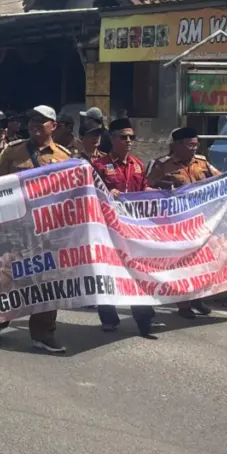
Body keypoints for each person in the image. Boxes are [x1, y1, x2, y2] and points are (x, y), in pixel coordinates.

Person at [0, 105, 71, 354]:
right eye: (32, 119)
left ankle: (43, 333)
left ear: (54, 126)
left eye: (41, 121)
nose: (35, 123)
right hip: (16, 229)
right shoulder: (13, 152)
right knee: (9, 277)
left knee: (48, 281)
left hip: (48, 230)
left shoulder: (64, 157)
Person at [147, 127, 222, 319]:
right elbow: (146, 188)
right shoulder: (161, 165)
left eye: (196, 145)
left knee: (201, 262)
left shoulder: (203, 163)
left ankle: (197, 298)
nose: (194, 149)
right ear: (176, 145)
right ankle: (184, 304)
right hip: (176, 225)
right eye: (190, 145)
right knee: (182, 264)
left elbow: (220, 180)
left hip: (201, 222)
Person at [92, 118, 156, 337]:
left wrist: (154, 192)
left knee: (138, 272)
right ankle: (108, 317)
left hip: (132, 229)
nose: (128, 141)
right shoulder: (99, 166)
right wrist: (107, 195)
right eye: (123, 137)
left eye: (132, 137)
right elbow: (90, 194)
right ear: (112, 138)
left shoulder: (138, 164)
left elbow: (143, 187)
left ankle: (145, 319)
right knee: (108, 272)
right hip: (106, 230)